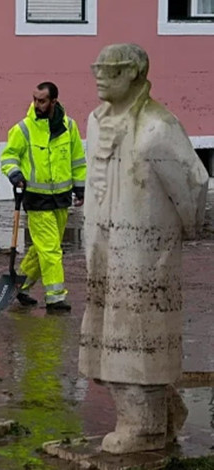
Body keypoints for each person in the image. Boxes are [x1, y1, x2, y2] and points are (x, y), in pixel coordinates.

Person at [79, 43, 208, 454]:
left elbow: (194, 181)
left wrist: (179, 231)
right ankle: (165, 412)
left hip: (143, 248)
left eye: (110, 69)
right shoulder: (96, 122)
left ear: (133, 73)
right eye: (97, 68)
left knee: (137, 334)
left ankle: (146, 426)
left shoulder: (156, 126)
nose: (100, 75)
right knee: (105, 334)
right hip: (103, 241)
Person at [0, 82, 86, 311]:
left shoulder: (69, 126)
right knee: (51, 250)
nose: (37, 104)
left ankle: (21, 285)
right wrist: (15, 173)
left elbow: (77, 159)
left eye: (42, 100)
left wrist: (80, 188)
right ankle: (55, 296)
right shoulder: (24, 128)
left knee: (44, 248)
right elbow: (8, 157)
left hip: (61, 198)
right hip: (36, 199)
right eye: (35, 99)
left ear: (54, 102)